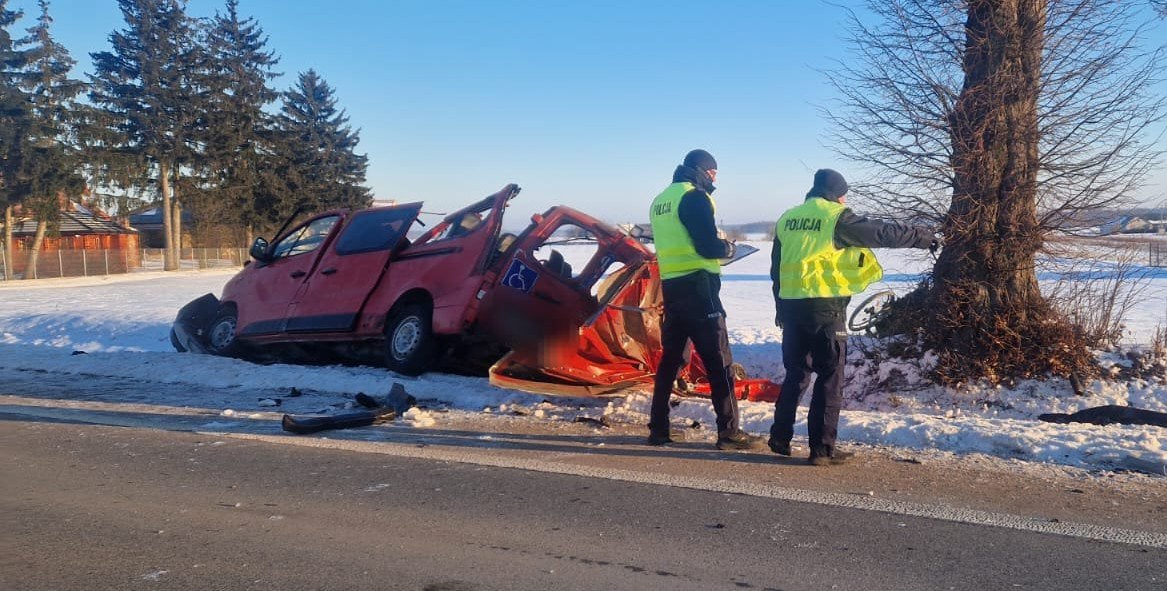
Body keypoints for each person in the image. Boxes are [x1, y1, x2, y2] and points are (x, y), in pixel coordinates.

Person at [769, 169, 937, 466]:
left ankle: (779, 437)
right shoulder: (836, 217)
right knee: (829, 378)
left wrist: (780, 309)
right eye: (844, 195)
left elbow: (776, 269)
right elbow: (881, 232)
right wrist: (921, 237)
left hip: (792, 308)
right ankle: (822, 450)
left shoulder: (788, 218)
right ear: (837, 193)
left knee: (796, 373)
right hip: (825, 308)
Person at [647, 149, 763, 450]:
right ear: (702, 171)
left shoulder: (660, 201)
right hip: (699, 288)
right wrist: (727, 248)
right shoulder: (694, 197)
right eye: (713, 173)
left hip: (672, 287)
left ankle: (658, 428)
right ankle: (729, 432)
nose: (714, 179)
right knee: (718, 360)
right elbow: (707, 246)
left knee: (671, 360)